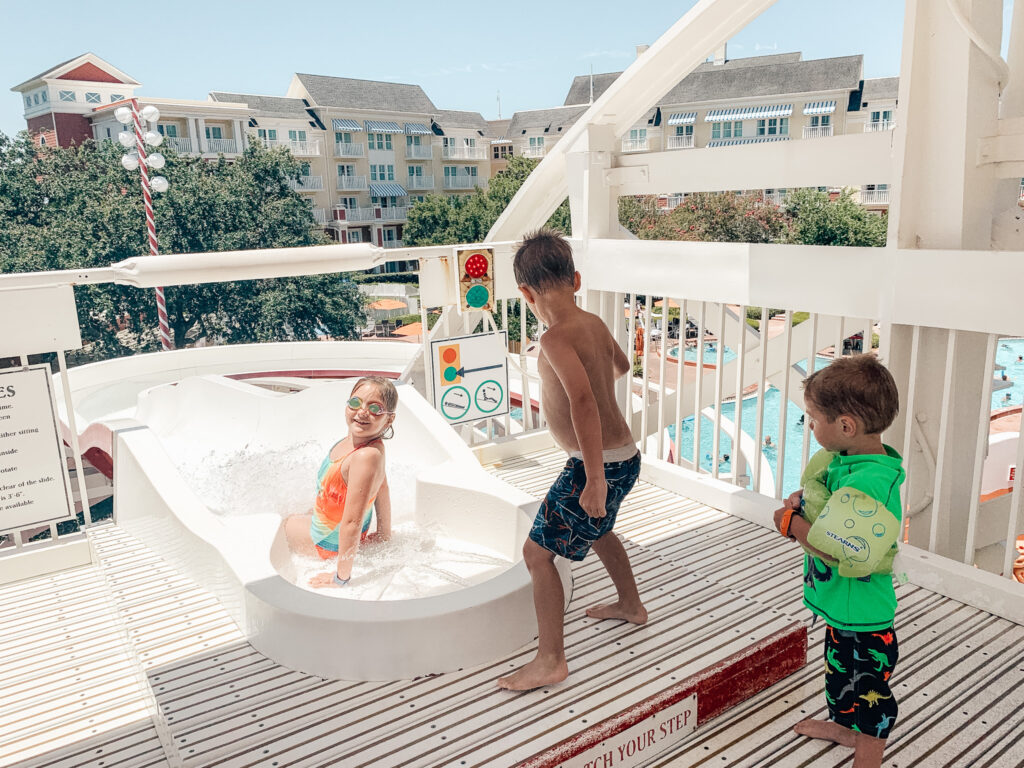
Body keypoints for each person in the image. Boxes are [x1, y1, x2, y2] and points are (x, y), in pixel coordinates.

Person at [498, 228, 646, 691]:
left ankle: (550, 660)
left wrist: (594, 478)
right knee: (599, 530)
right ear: (576, 279)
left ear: (525, 293)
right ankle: (630, 606)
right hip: (624, 455)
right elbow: (621, 366)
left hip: (595, 463)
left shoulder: (555, 339)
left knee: (536, 554)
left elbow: (582, 402)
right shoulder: (594, 324)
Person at [773, 355, 904, 768]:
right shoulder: (846, 460)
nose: (810, 427)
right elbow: (823, 495)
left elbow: (838, 548)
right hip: (841, 608)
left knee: (871, 694)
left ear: (845, 426)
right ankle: (844, 729)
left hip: (865, 618)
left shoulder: (870, 482)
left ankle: (867, 758)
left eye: (813, 419)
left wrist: (789, 523)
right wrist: (801, 500)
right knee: (839, 678)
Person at [285, 376, 396, 588]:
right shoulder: (369, 445)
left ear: (389, 419)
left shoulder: (365, 457)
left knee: (284, 522)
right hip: (335, 533)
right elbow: (383, 488)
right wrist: (384, 534)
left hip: (328, 545)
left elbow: (352, 523)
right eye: (355, 403)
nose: (362, 411)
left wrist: (340, 577)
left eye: (375, 408)